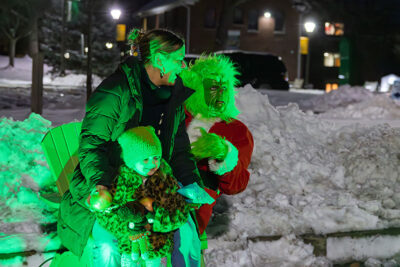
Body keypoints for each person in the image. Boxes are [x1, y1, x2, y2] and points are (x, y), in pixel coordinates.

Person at [57, 28, 203, 266]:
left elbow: (179, 150)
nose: (182, 66)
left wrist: (190, 183)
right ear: (158, 60)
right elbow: (92, 145)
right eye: (178, 60)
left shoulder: (173, 98)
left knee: (187, 237)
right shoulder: (114, 93)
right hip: (113, 188)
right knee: (108, 244)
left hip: (154, 188)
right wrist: (101, 186)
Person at [175, 54, 254, 264]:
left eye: (224, 88)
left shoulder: (235, 130)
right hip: (154, 188)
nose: (220, 93)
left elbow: (236, 184)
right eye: (212, 87)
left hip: (193, 202)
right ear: (198, 88)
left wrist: (223, 154)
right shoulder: (176, 115)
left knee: (182, 237)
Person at [94, 126, 191, 267]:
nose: (153, 163)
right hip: (129, 244)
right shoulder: (121, 181)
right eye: (145, 159)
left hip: (156, 245)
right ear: (132, 160)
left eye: (156, 157)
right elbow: (106, 214)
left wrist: (155, 215)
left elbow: (179, 210)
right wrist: (129, 224)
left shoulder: (164, 179)